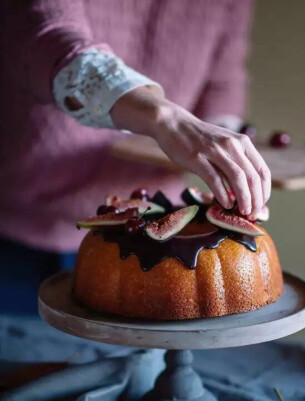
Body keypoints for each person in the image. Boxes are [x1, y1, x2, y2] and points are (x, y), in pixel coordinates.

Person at [0, 0, 270, 313]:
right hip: (17, 229)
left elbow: (223, 80)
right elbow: (48, 37)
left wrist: (227, 150)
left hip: (158, 245)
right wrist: (168, 120)